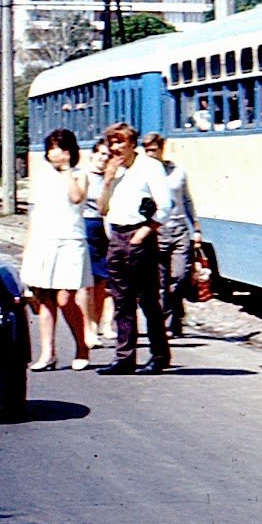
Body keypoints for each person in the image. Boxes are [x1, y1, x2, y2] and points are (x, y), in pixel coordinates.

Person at [96, 121, 174, 375]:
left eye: (120, 142)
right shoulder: (114, 171)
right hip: (116, 236)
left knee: (148, 299)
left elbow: (166, 205)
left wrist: (142, 234)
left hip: (139, 234)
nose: (116, 148)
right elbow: (102, 209)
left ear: (132, 144)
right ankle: (124, 357)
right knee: (121, 300)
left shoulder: (149, 167)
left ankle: (159, 355)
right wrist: (107, 181)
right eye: (112, 143)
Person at [22, 129, 92, 372]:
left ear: (71, 151)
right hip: (45, 240)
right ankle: (47, 353)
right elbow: (35, 213)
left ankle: (82, 347)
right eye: (52, 148)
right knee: (45, 299)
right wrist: (28, 249)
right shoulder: (41, 177)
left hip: (71, 241)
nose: (56, 153)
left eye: (61, 149)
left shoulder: (80, 175)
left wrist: (66, 171)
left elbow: (76, 198)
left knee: (65, 298)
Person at [141, 132, 199, 338]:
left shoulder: (177, 171)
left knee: (181, 276)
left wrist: (197, 229)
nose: (150, 154)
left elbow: (187, 200)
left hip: (179, 228)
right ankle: (169, 323)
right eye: (146, 151)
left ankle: (175, 313)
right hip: (156, 230)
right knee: (162, 281)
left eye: (154, 150)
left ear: (162, 148)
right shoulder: (143, 173)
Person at [81, 137, 115, 347]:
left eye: (108, 155)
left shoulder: (111, 177)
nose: (104, 159)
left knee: (103, 281)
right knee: (88, 282)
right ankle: (89, 327)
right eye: (101, 154)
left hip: (107, 229)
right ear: (93, 154)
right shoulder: (84, 176)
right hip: (88, 226)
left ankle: (101, 323)